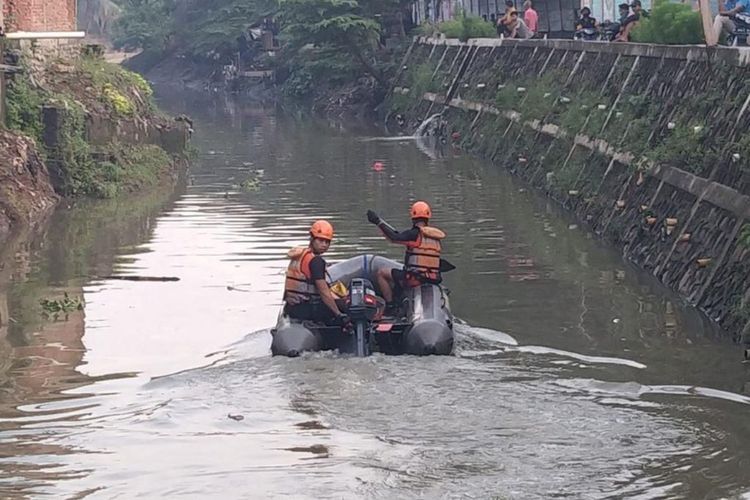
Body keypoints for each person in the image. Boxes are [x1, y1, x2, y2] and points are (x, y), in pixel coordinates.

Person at [366, 201, 446, 311]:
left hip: (415, 279)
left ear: (413, 217)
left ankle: (390, 305)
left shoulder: (413, 234)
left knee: (382, 273)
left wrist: (377, 221)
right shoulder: (435, 237)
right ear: (428, 217)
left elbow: (394, 238)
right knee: (401, 273)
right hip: (432, 279)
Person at [283, 220, 347, 324]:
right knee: (349, 308)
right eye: (321, 240)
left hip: (291, 307)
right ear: (312, 238)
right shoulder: (316, 262)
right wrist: (339, 314)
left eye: (327, 242)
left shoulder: (301, 255)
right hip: (306, 309)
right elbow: (323, 292)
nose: (324, 245)